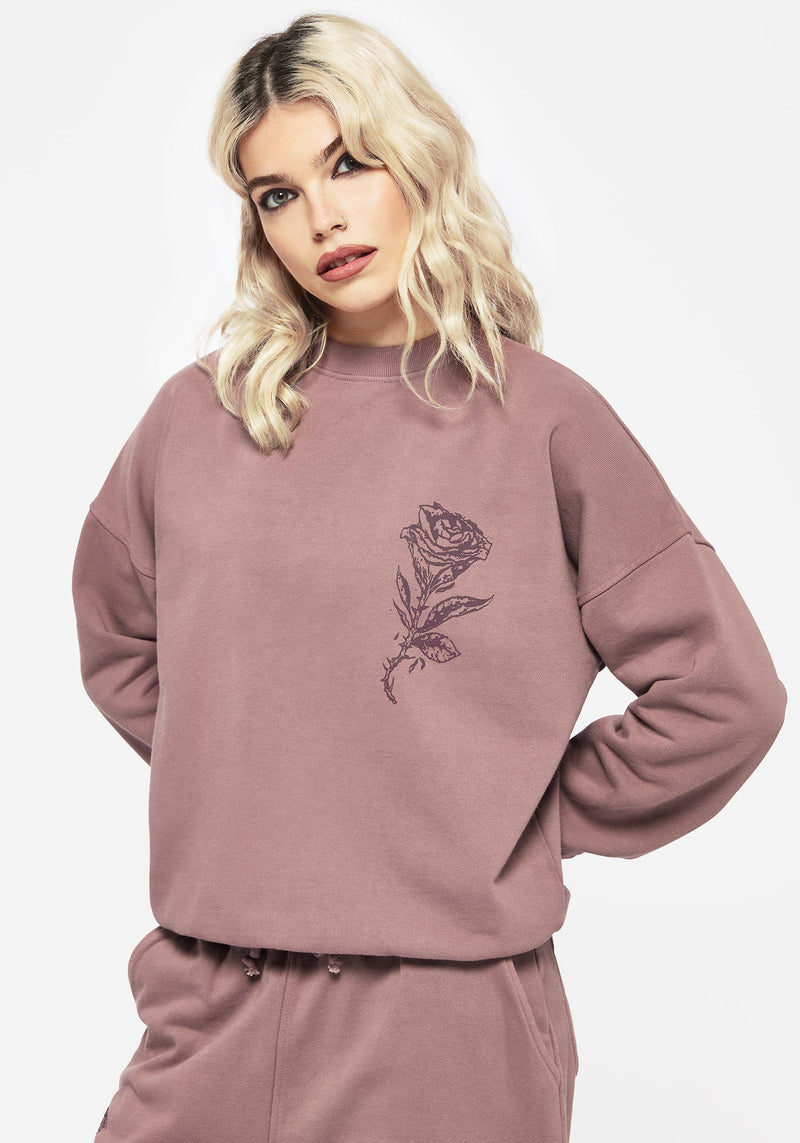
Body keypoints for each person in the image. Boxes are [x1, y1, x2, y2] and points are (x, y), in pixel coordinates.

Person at [71, 12, 787, 1143]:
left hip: (445, 1023)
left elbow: (724, 695)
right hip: (211, 1001)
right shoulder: (196, 418)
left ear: (415, 158)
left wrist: (516, 815)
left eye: (348, 164)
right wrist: (264, 779)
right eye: (277, 193)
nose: (321, 218)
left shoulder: (542, 419)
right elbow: (120, 640)